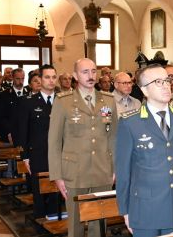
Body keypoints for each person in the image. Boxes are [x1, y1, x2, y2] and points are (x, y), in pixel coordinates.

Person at [116, 64, 173, 237]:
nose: (166, 85)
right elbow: (123, 172)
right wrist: (125, 211)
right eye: (158, 82)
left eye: (167, 80)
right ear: (144, 90)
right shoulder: (130, 122)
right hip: (145, 209)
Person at [48, 58, 118, 237]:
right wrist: (57, 175)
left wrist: (115, 168)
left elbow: (114, 137)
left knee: (99, 224)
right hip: (74, 172)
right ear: (75, 75)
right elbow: (54, 142)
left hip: (102, 170)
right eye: (85, 72)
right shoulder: (63, 101)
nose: (90, 75)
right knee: (75, 224)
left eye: (93, 71)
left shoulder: (108, 100)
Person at [17, 64, 59, 219]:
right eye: (47, 77)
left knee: (56, 191)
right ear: (40, 79)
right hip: (38, 154)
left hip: (59, 154)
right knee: (39, 192)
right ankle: (40, 221)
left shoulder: (63, 101)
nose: (51, 80)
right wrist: (25, 156)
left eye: (54, 77)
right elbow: (23, 132)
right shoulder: (29, 102)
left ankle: (55, 220)